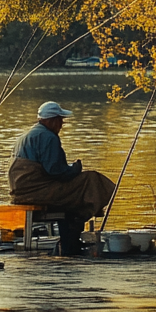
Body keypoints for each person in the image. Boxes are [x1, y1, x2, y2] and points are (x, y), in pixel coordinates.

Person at [7, 101, 115, 256]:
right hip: (37, 192)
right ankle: (80, 220)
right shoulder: (48, 137)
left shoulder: (26, 135)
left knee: (75, 197)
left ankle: (73, 233)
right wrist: (75, 169)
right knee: (92, 179)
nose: (62, 124)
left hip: (21, 191)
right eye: (60, 120)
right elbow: (56, 172)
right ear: (51, 121)